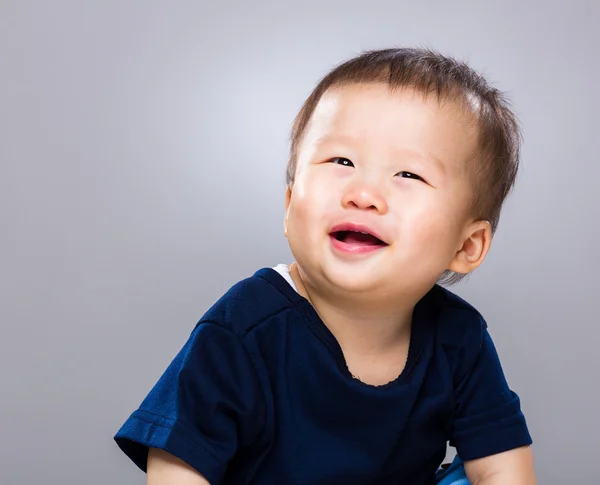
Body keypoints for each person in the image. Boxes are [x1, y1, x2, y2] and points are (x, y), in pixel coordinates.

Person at [114, 47, 537, 484]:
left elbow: (503, 464)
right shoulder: (248, 325)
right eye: (342, 161)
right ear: (290, 203)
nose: (363, 193)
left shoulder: (457, 337)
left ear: (467, 245)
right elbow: (178, 464)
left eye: (408, 175)